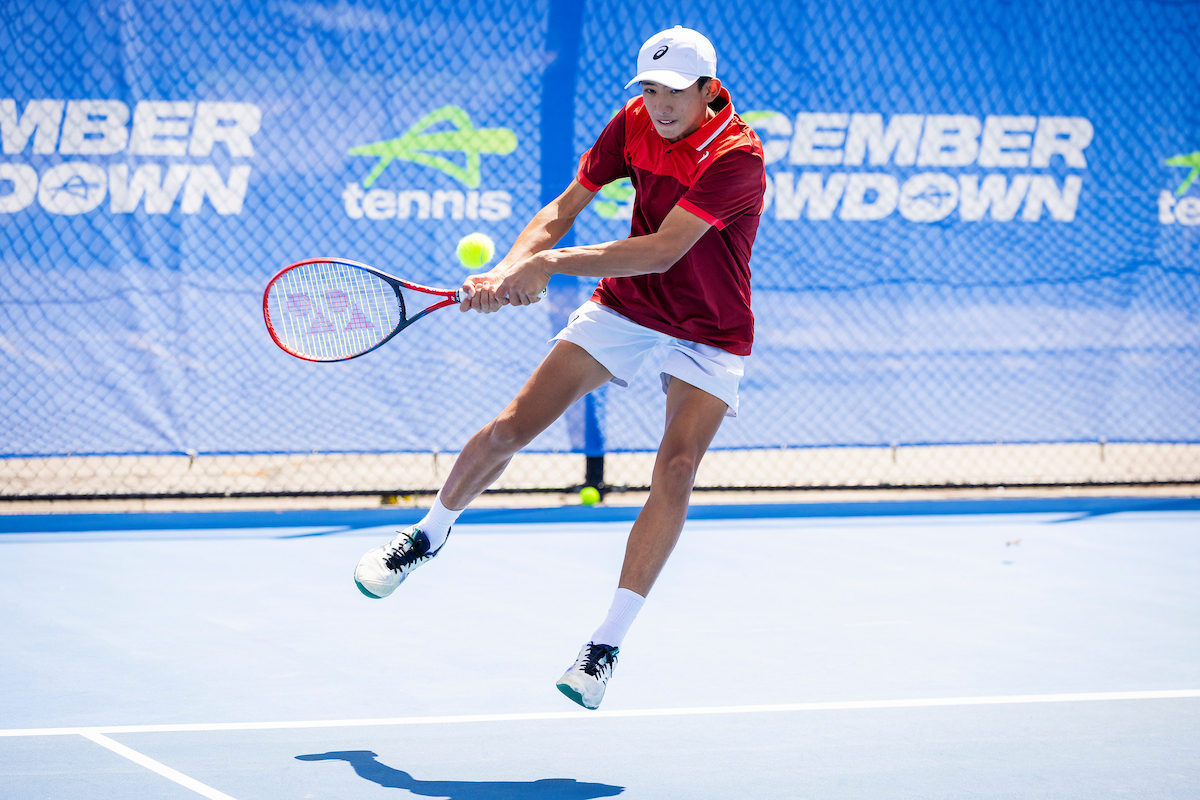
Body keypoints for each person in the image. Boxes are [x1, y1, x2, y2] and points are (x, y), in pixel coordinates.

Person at [354, 25, 766, 710]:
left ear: (706, 89)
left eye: (673, 92)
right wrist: (513, 268)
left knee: (676, 467)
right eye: (650, 89)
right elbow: (563, 208)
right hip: (630, 308)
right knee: (514, 428)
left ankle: (603, 645)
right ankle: (426, 536)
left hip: (710, 325)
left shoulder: (736, 157)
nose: (659, 104)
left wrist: (549, 267)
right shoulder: (633, 123)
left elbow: (662, 250)